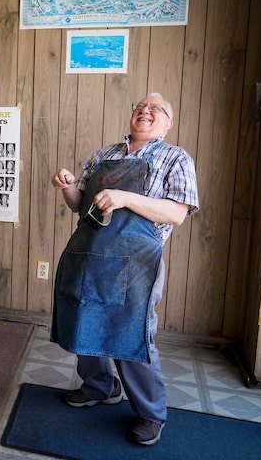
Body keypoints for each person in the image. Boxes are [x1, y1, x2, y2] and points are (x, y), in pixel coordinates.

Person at [50, 93, 199, 446]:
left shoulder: (175, 158)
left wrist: (126, 197)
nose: (146, 111)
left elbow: (176, 213)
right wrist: (68, 186)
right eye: (140, 107)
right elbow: (79, 205)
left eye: (156, 109)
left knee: (131, 336)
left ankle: (150, 414)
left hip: (137, 263)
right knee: (84, 320)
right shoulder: (105, 155)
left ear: (168, 123)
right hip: (89, 254)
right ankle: (100, 386)